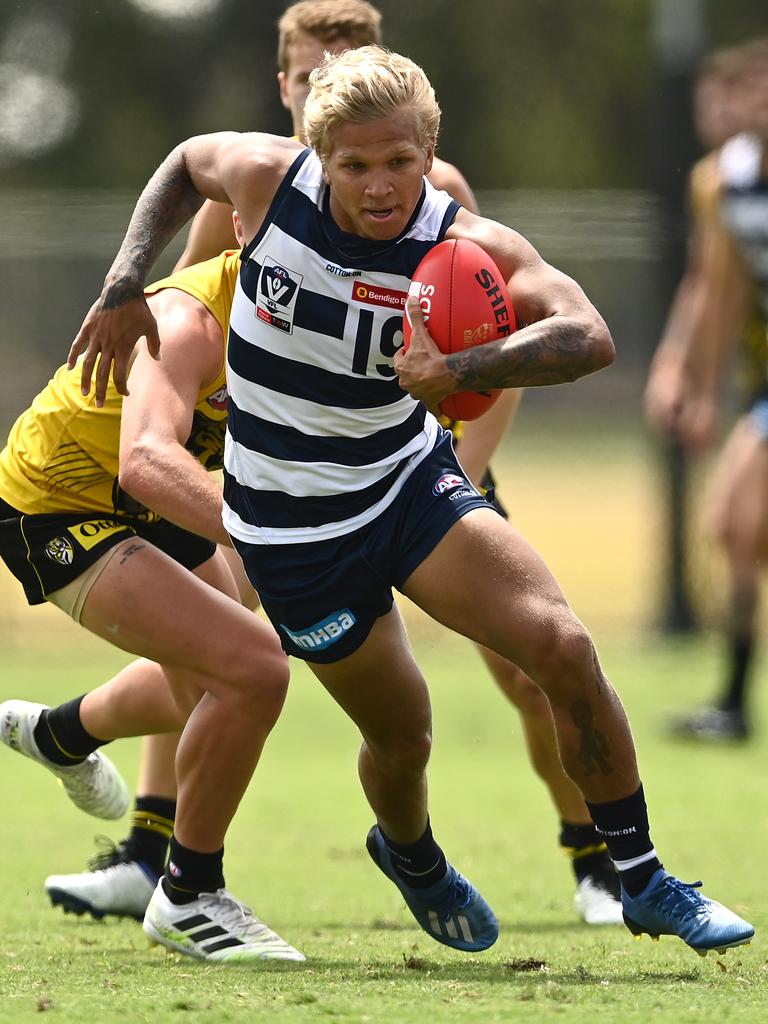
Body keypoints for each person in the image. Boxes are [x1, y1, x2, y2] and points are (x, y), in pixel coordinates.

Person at [67, 45, 754, 960]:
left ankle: (641, 876)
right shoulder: (268, 186)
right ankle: (411, 852)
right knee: (403, 735)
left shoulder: (459, 243)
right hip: (294, 529)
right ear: (317, 157)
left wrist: (459, 371)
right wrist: (123, 280)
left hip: (408, 484)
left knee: (564, 645)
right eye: (355, 165)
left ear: (430, 152)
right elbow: (186, 161)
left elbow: (588, 333)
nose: (381, 184)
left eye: (400, 160)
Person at [0, 230, 306, 960]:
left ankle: (61, 734)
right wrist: (272, 534)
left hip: (149, 498)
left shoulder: (332, 302)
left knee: (225, 663)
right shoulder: (199, 311)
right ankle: (191, 894)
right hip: (59, 500)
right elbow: (145, 459)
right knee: (254, 669)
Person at [645, 38, 768, 742]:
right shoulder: (724, 181)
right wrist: (692, 381)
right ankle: (734, 705)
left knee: (735, 520)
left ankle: (733, 703)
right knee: (733, 526)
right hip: (761, 385)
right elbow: (715, 289)